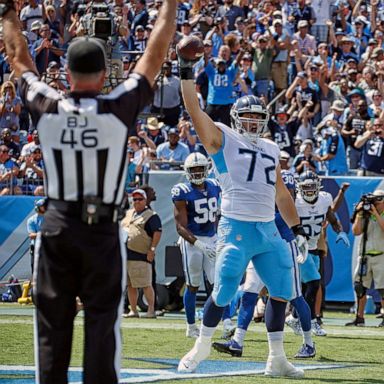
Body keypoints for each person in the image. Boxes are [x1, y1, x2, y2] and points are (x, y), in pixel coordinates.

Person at [1, 0, 177, 381]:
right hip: (100, 232)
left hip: (57, 225)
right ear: (102, 75)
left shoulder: (49, 105)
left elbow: (18, 58)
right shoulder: (117, 106)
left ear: (66, 72)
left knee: (51, 331)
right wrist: (170, 5)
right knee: (102, 330)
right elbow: (155, 52)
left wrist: (7, 13)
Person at [177, 49, 309, 378]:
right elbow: (194, 110)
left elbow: (280, 192)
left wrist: (298, 229)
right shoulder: (223, 137)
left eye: (256, 117)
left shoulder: (270, 147)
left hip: (268, 230)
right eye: (246, 117)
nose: (251, 122)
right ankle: (201, 346)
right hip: (236, 227)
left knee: (282, 290)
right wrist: (185, 69)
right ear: (237, 118)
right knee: (223, 289)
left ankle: (276, 358)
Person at [212, 167, 316, 359]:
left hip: (283, 245)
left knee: (294, 295)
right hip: (260, 244)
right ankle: (237, 341)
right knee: (249, 291)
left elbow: (285, 205)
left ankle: (309, 343)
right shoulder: (256, 177)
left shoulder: (281, 179)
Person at [291, 171, 350, 337]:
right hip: (298, 246)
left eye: (311, 186)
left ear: (318, 187)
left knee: (307, 286)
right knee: (314, 283)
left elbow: (331, 217)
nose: (309, 190)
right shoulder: (295, 201)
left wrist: (340, 231)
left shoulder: (324, 199)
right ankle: (309, 321)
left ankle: (296, 317)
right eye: (305, 187)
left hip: (313, 246)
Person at [172, 152, 221, 338]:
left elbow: (218, 216)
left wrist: (218, 238)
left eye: (201, 168)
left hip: (212, 237)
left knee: (219, 284)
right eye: (194, 169)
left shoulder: (215, 186)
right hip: (192, 241)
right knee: (193, 284)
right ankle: (191, 326)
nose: (198, 172)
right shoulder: (182, 190)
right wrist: (200, 244)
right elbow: (179, 227)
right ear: (187, 171)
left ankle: (225, 322)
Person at [121, 189, 162, 318]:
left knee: (145, 284)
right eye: (134, 199)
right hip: (126, 254)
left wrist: (152, 249)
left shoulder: (151, 215)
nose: (137, 202)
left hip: (141, 254)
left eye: (140, 199)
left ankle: (151, 310)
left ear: (145, 201)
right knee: (130, 285)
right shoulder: (128, 214)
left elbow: (157, 232)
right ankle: (134, 310)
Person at [346, 190, 384, 327]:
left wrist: (375, 213)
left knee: (383, 288)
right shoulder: (365, 214)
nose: (375, 203)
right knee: (360, 286)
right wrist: (360, 213)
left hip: (381, 254)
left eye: (378, 200)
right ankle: (359, 317)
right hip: (365, 254)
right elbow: (356, 231)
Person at [27, 198, 46, 273]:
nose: (45, 207)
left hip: (50, 247)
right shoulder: (31, 220)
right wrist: (45, 233)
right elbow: (31, 235)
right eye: (42, 206)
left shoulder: (52, 218)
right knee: (36, 271)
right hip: (37, 249)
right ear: (37, 207)